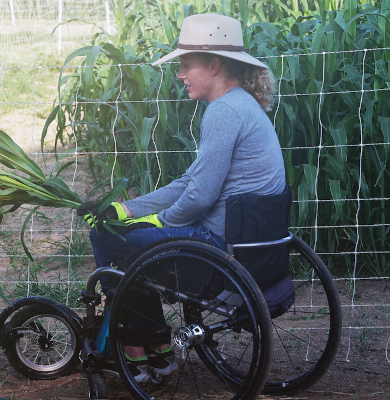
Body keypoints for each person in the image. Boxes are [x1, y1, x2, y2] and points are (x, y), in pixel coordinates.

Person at [78, 13, 286, 383]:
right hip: (249, 239)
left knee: (109, 237)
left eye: (186, 65)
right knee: (121, 226)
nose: (180, 74)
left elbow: (199, 198)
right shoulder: (240, 105)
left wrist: (158, 221)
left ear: (214, 65)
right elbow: (192, 181)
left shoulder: (224, 112)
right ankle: (156, 349)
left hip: (215, 248)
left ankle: (139, 349)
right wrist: (125, 208)